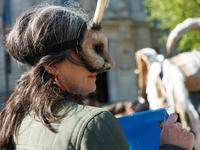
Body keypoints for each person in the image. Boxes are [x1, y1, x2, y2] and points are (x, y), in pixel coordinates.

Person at [0, 1, 194, 150]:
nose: (104, 66)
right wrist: (173, 146)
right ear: (52, 64)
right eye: (89, 51)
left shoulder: (18, 121)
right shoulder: (94, 123)